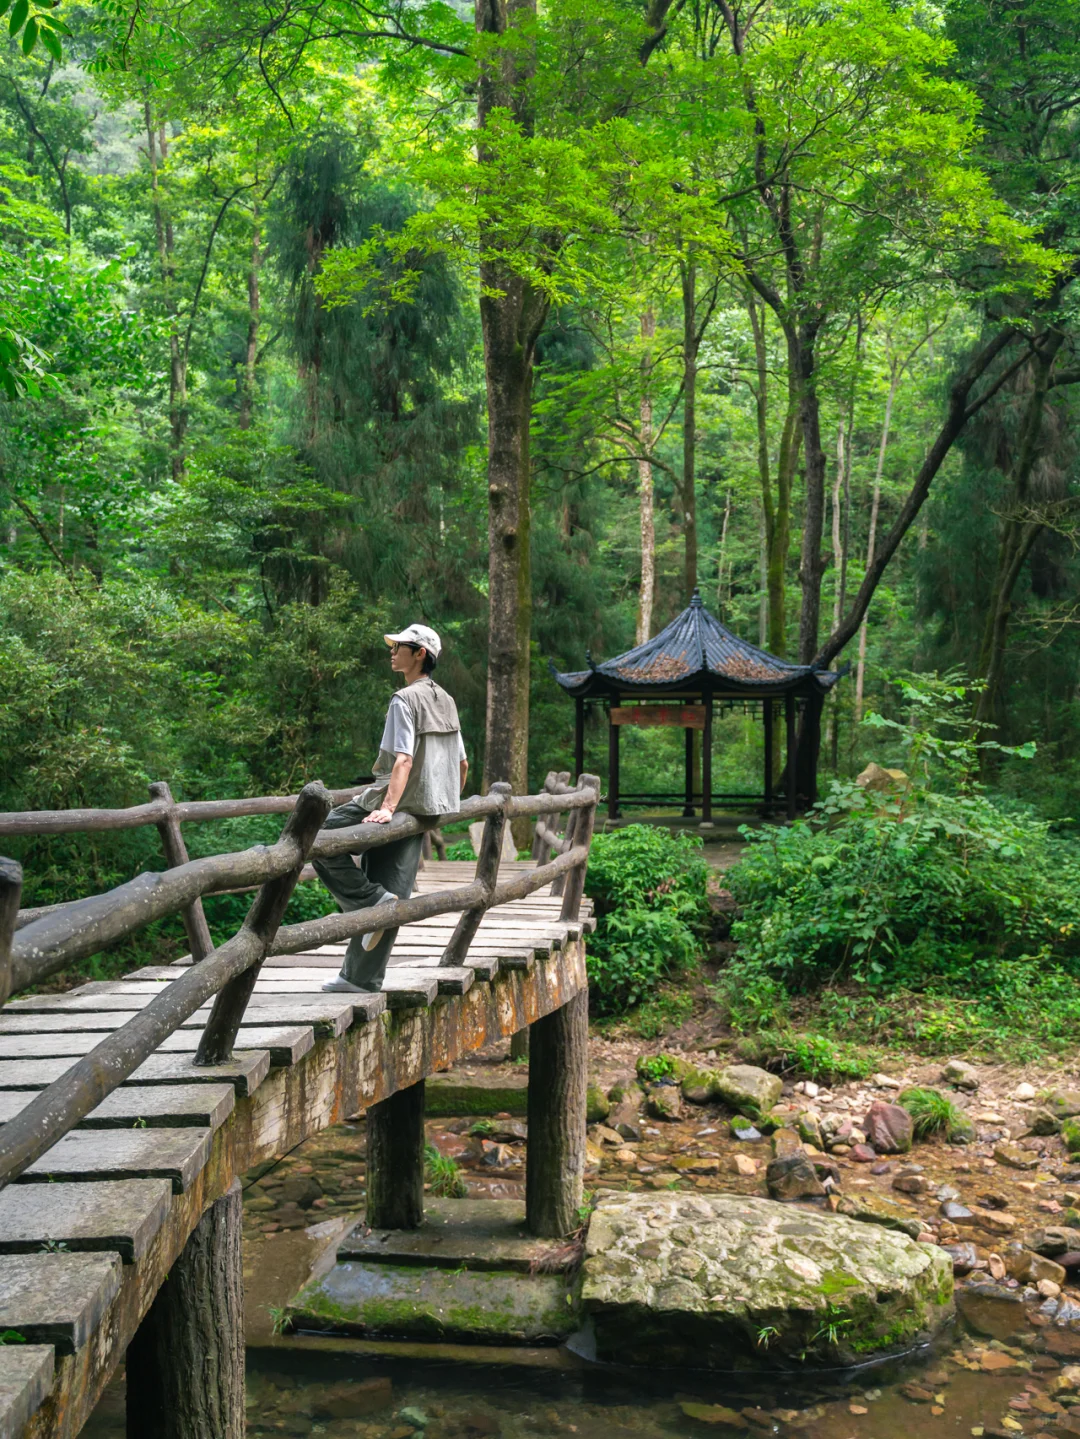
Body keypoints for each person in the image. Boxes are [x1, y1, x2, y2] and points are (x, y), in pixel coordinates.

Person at [314, 623, 467, 993]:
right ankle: (360, 978)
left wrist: (388, 807)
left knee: (320, 841)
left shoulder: (404, 700)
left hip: (399, 801)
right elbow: (462, 765)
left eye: (401, 646)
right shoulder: (445, 700)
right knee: (392, 885)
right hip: (424, 809)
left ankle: (370, 903)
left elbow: (403, 760)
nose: (392, 650)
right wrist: (443, 805)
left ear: (420, 655)